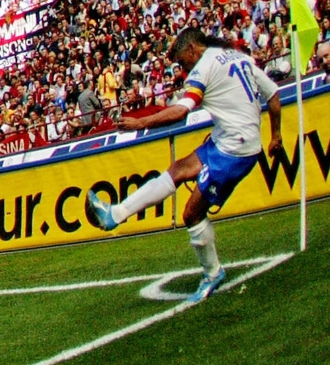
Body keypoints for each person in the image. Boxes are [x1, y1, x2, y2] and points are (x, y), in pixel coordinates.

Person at [88, 28, 283, 304]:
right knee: (178, 169)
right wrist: (275, 136)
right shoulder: (237, 56)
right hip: (228, 140)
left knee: (191, 214)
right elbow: (273, 96)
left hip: (234, 150)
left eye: (182, 62)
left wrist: (140, 123)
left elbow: (181, 111)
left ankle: (213, 273)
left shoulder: (203, 68)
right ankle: (115, 214)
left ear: (192, 49)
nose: (183, 69)